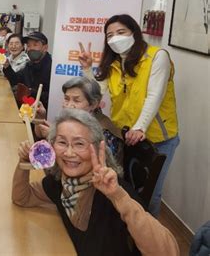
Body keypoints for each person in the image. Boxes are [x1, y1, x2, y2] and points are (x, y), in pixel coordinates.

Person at [12, 109, 179, 256]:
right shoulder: (61, 182)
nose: (69, 153)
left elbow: (168, 252)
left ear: (99, 149)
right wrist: (23, 164)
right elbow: (22, 197)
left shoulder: (113, 191)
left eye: (79, 144)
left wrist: (118, 196)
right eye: (62, 142)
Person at [78, 14, 179, 216]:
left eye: (121, 32)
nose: (115, 38)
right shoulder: (113, 63)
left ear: (134, 32)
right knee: (124, 188)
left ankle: (150, 243)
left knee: (150, 195)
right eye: (110, 35)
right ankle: (124, 236)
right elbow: (97, 92)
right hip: (124, 135)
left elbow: (154, 96)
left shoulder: (157, 56)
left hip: (157, 137)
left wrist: (140, 126)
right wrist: (88, 69)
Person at [34, 76, 124, 164]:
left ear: (93, 104)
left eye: (76, 101)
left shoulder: (105, 132)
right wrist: (40, 118)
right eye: (66, 99)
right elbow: (39, 135)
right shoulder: (71, 120)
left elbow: (94, 164)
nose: (69, 105)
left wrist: (54, 137)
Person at [3, 31, 52, 110]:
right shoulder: (30, 65)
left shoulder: (51, 68)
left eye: (35, 45)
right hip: (25, 109)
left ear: (45, 48)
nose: (31, 48)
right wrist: (7, 67)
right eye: (28, 46)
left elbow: (51, 97)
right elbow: (16, 79)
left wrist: (30, 92)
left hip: (41, 113)